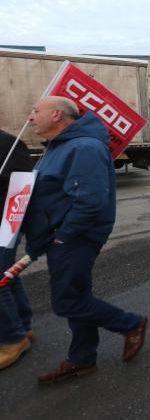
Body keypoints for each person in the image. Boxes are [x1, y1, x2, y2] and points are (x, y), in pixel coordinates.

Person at [22, 96, 148, 384]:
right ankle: (82, 358)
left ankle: (131, 323)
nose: (30, 117)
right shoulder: (58, 147)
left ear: (56, 115)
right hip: (59, 236)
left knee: (67, 301)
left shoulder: (84, 148)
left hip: (73, 238)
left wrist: (63, 238)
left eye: (35, 110)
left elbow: (89, 202)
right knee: (77, 296)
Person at [0, 128, 35, 370]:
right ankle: (23, 326)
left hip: (6, 221)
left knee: (0, 279)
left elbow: (24, 182)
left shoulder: (9, 143)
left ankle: (12, 339)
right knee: (8, 275)